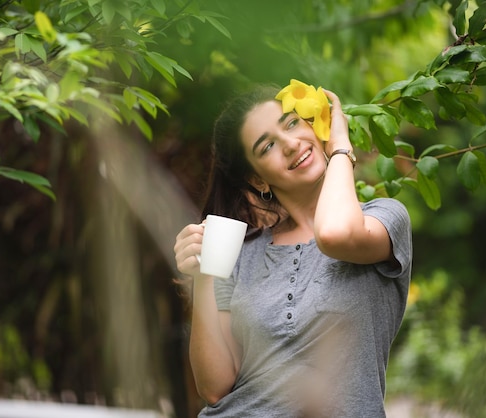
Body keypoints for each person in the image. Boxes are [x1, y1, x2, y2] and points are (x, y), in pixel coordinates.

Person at [173, 82, 412, 417]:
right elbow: (214, 387)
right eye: (266, 145)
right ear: (258, 180)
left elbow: (334, 234)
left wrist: (341, 147)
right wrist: (203, 276)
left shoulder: (383, 219)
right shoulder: (240, 253)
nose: (289, 144)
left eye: (292, 123)